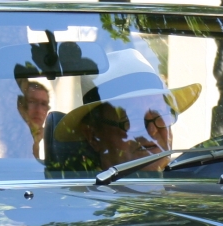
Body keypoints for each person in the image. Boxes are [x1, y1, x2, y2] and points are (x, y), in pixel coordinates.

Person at [51, 50, 201, 172]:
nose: (152, 129)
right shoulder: (82, 206)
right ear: (93, 136)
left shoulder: (195, 193)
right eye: (133, 118)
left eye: (160, 114)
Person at [16, 79, 51, 159]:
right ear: (21, 106)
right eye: (32, 102)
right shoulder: (13, 138)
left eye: (43, 104)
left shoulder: (46, 140)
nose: (38, 110)